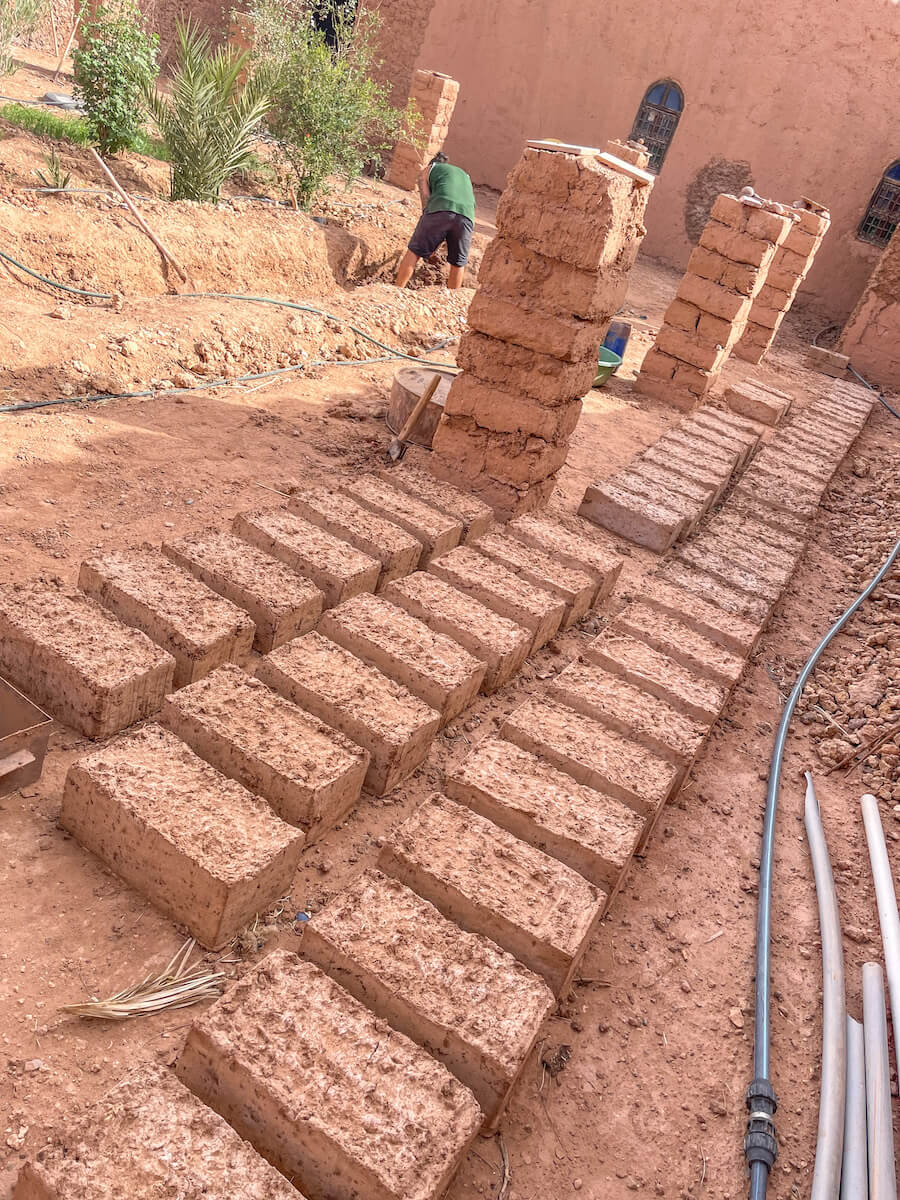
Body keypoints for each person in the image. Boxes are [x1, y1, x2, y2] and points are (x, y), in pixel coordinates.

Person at [394, 152, 476, 290]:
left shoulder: (429, 169)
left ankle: (397, 289)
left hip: (441, 207)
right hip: (467, 216)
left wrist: (425, 230)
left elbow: (426, 199)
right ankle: (450, 299)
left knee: (414, 251)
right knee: (458, 263)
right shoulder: (464, 175)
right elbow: (454, 215)